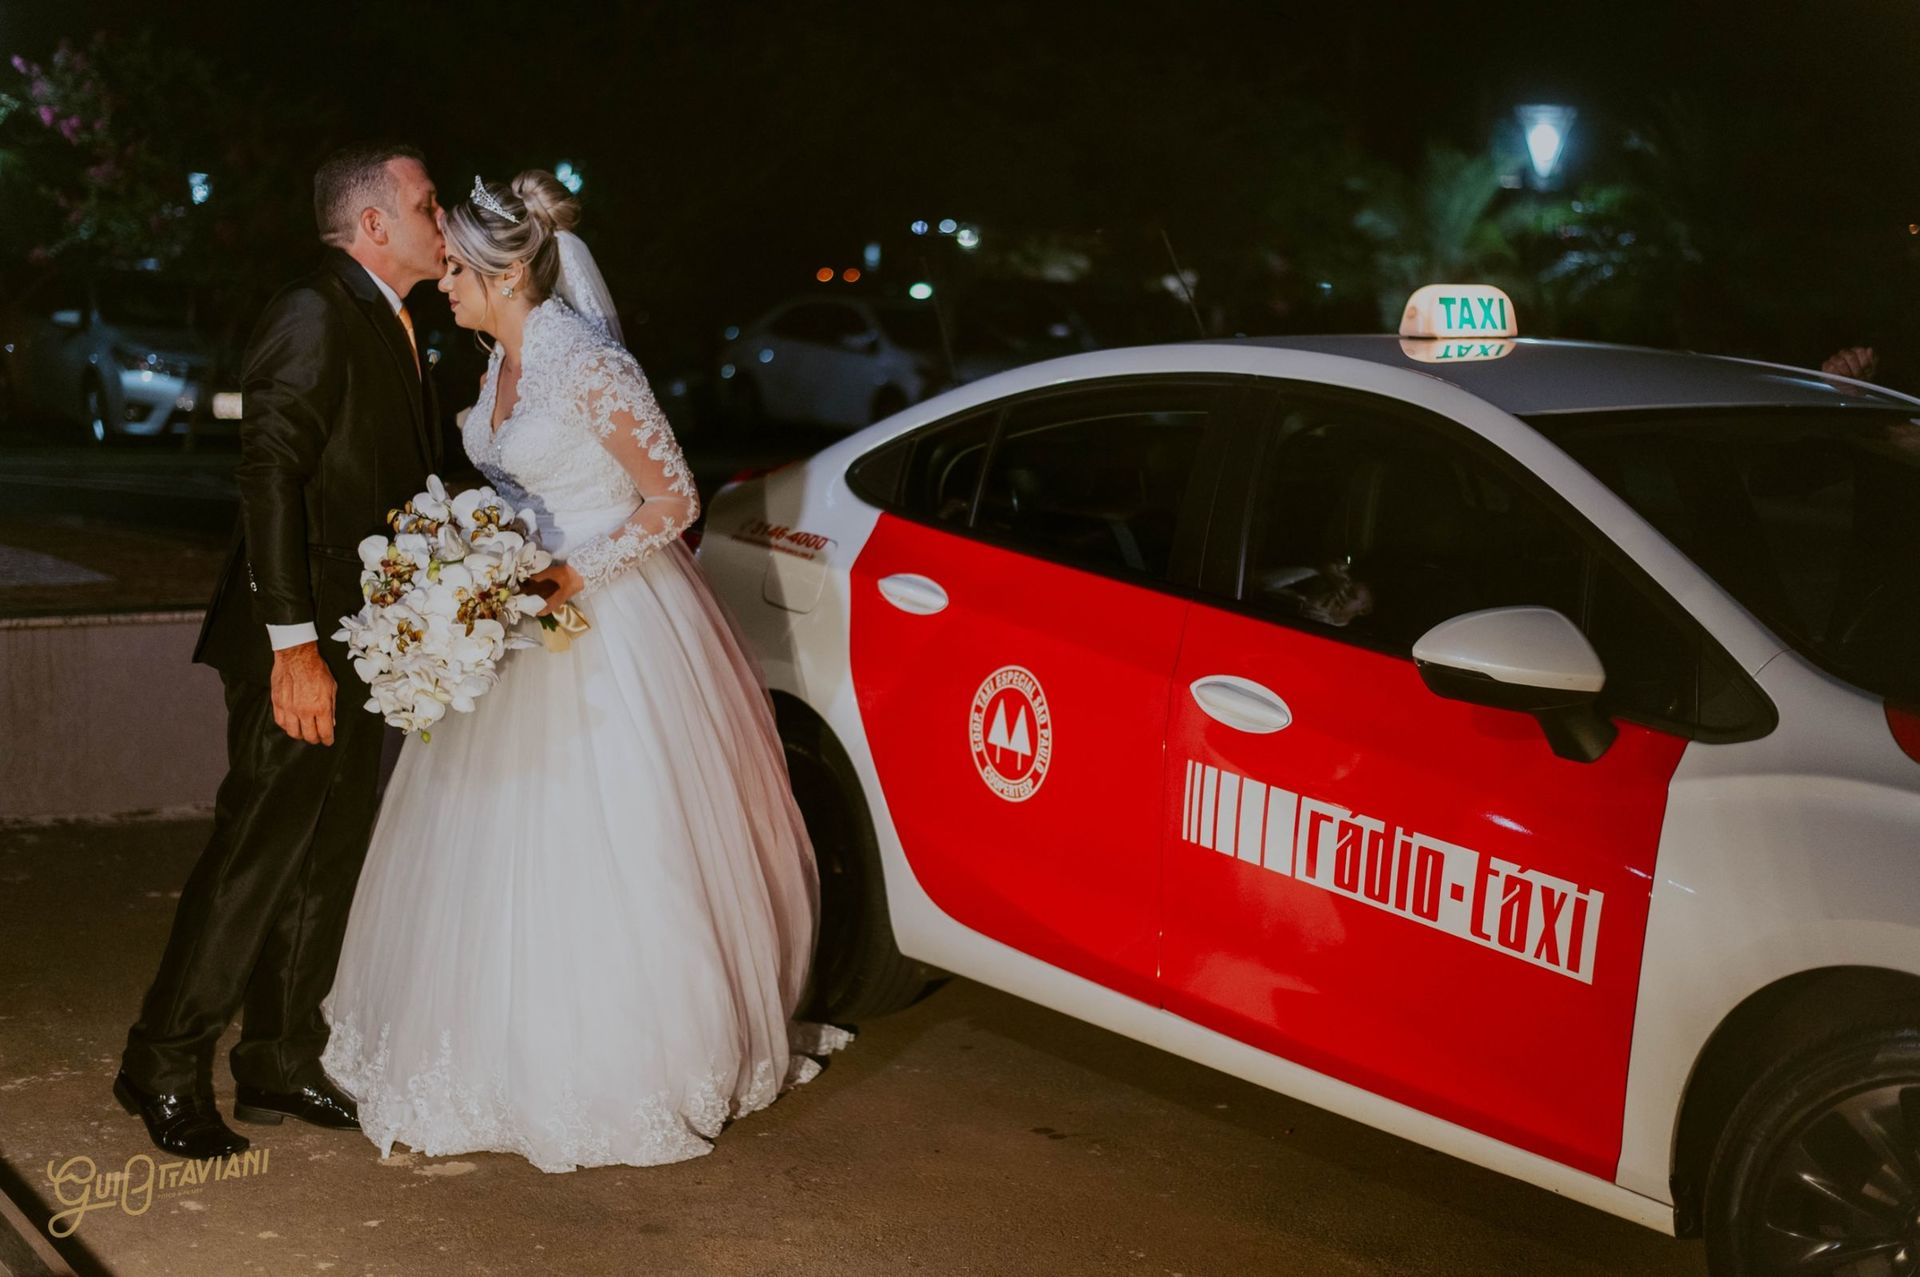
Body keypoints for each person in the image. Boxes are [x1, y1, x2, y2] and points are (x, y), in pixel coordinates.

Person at [318, 171, 849, 1173]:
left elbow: (674, 498)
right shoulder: (497, 360)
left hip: (611, 618)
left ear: (507, 272)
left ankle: (625, 1059)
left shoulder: (587, 362)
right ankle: (492, 1050)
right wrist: (465, 563)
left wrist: (564, 576)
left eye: (457, 270)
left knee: (614, 831)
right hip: (519, 616)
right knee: (494, 837)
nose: (444, 283)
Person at [116, 143, 446, 1158]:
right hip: (296, 637)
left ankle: (280, 1056)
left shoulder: (395, 319)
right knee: (257, 854)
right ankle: (163, 1060)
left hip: (366, 635)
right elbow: (269, 475)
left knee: (328, 849)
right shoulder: (313, 309)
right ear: (375, 223)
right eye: (428, 205)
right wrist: (293, 648)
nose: (442, 223)